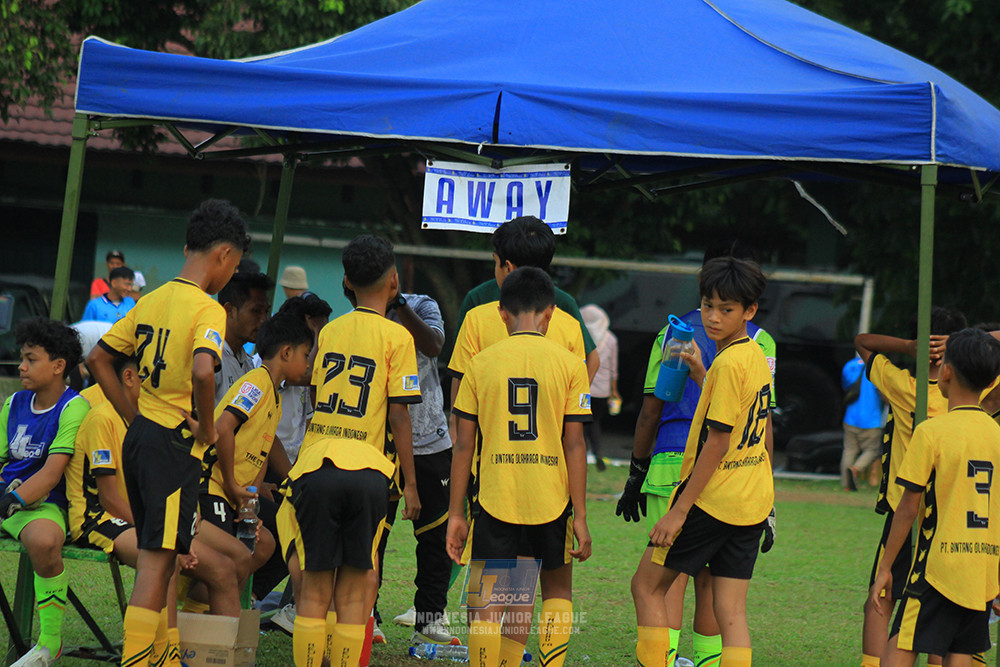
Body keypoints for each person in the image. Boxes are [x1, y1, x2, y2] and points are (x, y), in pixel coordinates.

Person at [87, 198, 248, 666]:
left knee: (164, 556)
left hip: (141, 439)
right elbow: (203, 371)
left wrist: (132, 418)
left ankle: (164, 654)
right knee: (157, 564)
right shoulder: (208, 309)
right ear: (223, 256)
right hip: (173, 445)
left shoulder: (150, 300)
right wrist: (204, 429)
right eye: (233, 266)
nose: (229, 275)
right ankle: (138, 659)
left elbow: (99, 358)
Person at [618, 240, 777, 667]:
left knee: (646, 586)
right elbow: (742, 417)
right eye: (708, 305)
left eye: (726, 309)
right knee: (732, 611)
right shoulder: (756, 356)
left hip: (713, 499)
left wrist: (679, 511)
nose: (712, 316)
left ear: (750, 311)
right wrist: (702, 373)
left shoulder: (728, 363)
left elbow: (719, 442)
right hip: (751, 501)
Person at [277, 234, 422, 667]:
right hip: (367, 472)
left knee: (314, 593)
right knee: (357, 594)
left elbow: (321, 395)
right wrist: (410, 484)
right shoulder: (398, 339)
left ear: (345, 281)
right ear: (393, 282)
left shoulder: (330, 332)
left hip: (317, 466)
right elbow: (399, 418)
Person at [447, 267, 592, 667]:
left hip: (496, 496)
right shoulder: (570, 365)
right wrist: (579, 515)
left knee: (488, 597)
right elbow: (575, 443)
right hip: (551, 497)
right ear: (549, 313)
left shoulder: (480, 364)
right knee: (553, 591)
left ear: (500, 312)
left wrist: (456, 512)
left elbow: (463, 444)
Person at [66, 353, 245, 664]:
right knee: (164, 556)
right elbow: (109, 499)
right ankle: (165, 653)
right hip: (101, 518)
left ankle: (215, 654)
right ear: (131, 378)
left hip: (154, 515)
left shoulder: (166, 421)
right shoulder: (104, 418)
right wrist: (169, 536)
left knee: (232, 563)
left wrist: (183, 530)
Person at [869, 327, 1000, 666]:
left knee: (898, 650)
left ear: (947, 372)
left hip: (937, 568)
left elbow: (908, 507)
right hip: (981, 570)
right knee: (960, 655)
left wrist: (886, 567)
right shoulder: (996, 433)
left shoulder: (932, 432)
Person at [853, 306, 967, 667]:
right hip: (953, 515)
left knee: (883, 594)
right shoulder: (971, 398)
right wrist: (965, 343)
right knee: (945, 603)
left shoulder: (905, 387)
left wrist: (907, 345)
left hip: (907, 513)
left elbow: (862, 342)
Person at [197, 313, 311, 605]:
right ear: (286, 352)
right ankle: (200, 608)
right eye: (306, 354)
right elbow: (223, 429)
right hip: (210, 486)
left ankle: (227, 604)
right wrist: (234, 485)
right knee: (226, 559)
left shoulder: (273, 394)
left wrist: (249, 500)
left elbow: (262, 451)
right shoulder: (256, 384)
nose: (308, 363)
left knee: (265, 545)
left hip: (234, 494)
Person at [449, 216, 599, 425]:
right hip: (489, 425)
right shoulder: (478, 300)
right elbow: (461, 372)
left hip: (543, 427)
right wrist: (456, 426)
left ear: (507, 267)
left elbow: (591, 359)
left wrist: (567, 406)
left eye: (495, 262)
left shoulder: (563, 303)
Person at [0, 318, 89, 667]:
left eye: (31, 359)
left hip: (43, 505)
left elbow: (52, 475)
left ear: (58, 366)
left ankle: (49, 644)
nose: (21, 366)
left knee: (45, 541)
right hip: (7, 499)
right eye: (22, 358)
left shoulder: (73, 407)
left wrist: (10, 501)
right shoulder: (13, 403)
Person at [384, 291, 458, 645]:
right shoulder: (357, 319)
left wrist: (399, 305)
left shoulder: (422, 303)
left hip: (430, 440)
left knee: (436, 537)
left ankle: (430, 618)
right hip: (378, 442)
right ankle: (366, 615)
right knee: (371, 535)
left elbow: (433, 345)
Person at [214, 272, 274, 404]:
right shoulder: (210, 356)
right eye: (256, 311)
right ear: (229, 310)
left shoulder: (247, 363)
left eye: (266, 312)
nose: (264, 319)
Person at [581, 304, 619, 472]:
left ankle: (580, 453)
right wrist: (614, 391)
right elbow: (613, 368)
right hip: (602, 391)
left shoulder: (580, 336)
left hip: (583, 388)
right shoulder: (611, 339)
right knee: (595, 421)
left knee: (580, 422)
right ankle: (598, 452)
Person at [840, 355, 884, 492]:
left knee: (849, 450)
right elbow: (882, 391)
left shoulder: (850, 365)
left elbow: (845, 385)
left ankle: (846, 485)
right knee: (873, 450)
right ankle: (855, 469)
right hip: (872, 419)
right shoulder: (878, 368)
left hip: (851, 417)